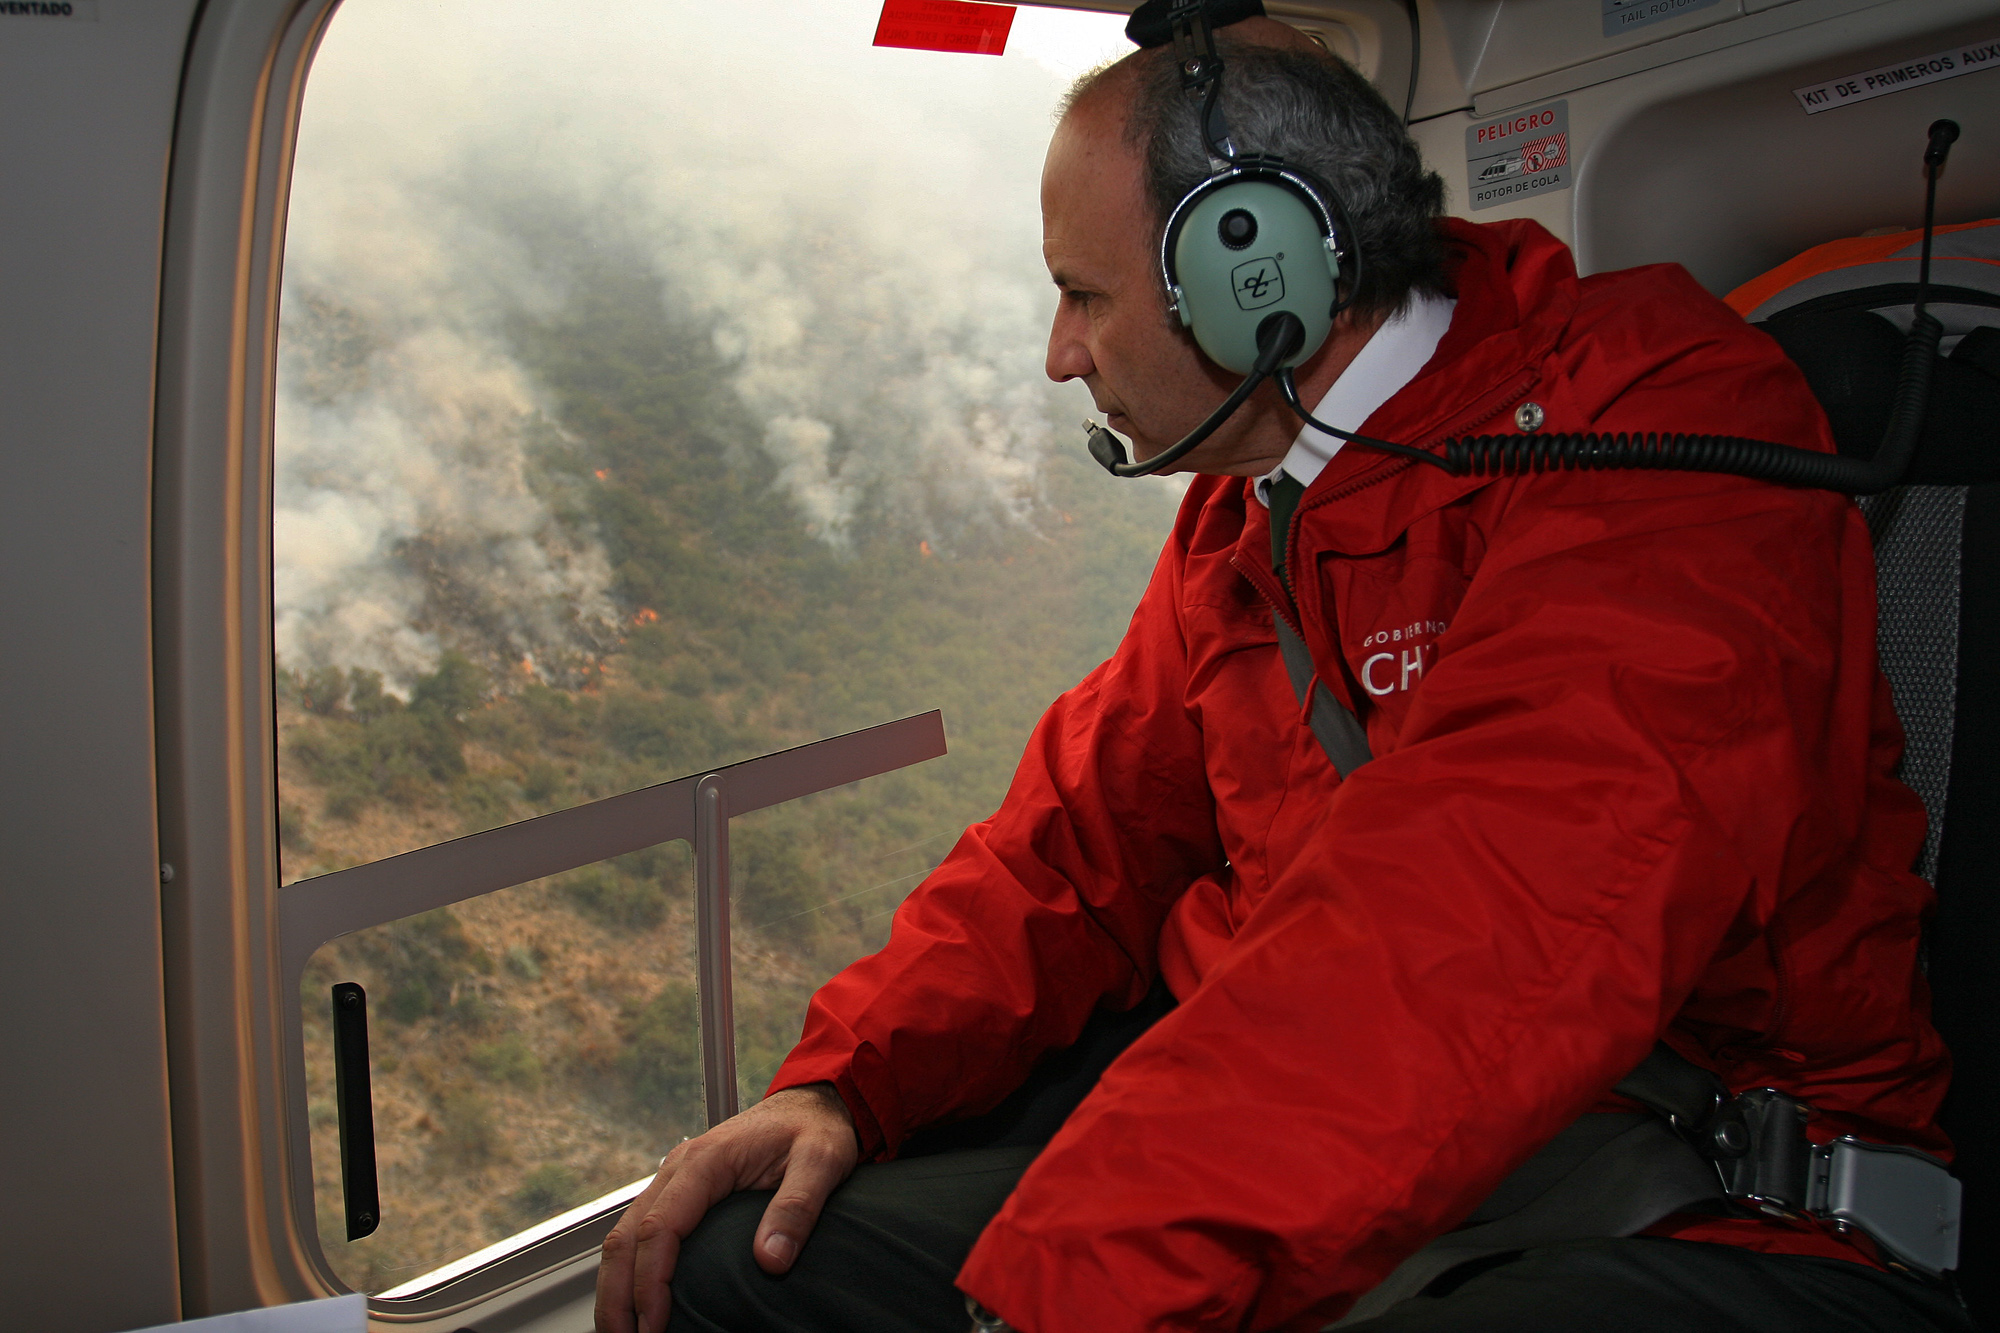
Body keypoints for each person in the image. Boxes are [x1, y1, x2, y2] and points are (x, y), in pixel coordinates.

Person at [595, 17, 1970, 1333]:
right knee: (743, 1272)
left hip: (1709, 1198)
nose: (1060, 353)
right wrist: (847, 1080)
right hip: (1339, 1173)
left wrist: (1085, 1276)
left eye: (1084, 294)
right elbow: (1070, 855)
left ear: (1259, 270)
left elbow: (1488, 911)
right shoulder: (1248, 520)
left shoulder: (1664, 423)